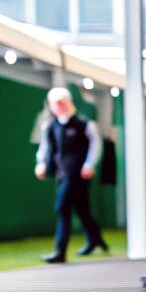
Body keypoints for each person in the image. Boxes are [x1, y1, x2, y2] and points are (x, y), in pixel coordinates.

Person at [35, 85, 106, 263]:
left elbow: (95, 145)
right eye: (55, 103)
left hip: (79, 174)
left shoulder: (85, 124)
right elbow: (45, 147)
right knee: (82, 209)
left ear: (68, 102)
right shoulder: (50, 126)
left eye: (61, 102)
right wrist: (42, 163)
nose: (59, 106)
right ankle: (96, 239)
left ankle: (60, 251)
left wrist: (89, 164)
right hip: (61, 173)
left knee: (62, 207)